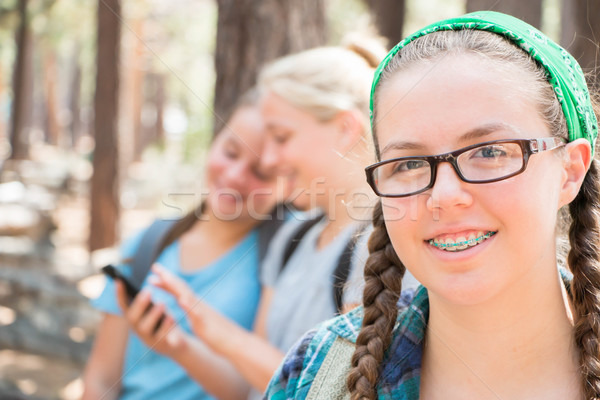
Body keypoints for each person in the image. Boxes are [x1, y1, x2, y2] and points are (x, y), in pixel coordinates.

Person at [264, 11, 600, 400]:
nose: (443, 196)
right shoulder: (314, 372)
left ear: (570, 170)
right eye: (408, 164)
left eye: (489, 151)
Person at [150, 41, 417, 399]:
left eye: (281, 137)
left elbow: (336, 389)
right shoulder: (293, 239)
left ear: (345, 127)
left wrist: (221, 333)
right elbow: (251, 388)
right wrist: (180, 341)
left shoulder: (382, 246)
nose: (270, 159)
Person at [81, 89, 285, 400]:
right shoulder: (149, 243)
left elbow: (259, 390)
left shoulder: (283, 262)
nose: (234, 175)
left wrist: (179, 348)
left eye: (260, 172)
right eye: (230, 152)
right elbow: (100, 380)